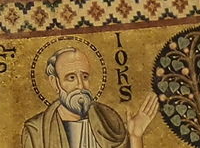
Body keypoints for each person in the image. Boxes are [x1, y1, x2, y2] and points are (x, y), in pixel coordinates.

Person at [19, 47, 157, 148]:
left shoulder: (108, 120)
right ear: (55, 82)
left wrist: (135, 136)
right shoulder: (36, 131)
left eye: (85, 77)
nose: (80, 85)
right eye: (71, 77)